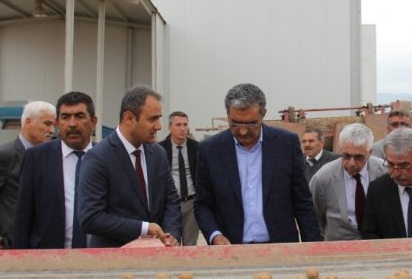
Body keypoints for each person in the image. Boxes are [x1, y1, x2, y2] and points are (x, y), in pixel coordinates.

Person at [194, 83, 321, 244]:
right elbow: (203, 204)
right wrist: (215, 235)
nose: (243, 131)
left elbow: (302, 202)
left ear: (263, 114)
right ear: (227, 115)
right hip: (230, 249)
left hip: (280, 247)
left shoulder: (285, 144)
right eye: (236, 123)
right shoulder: (210, 150)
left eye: (251, 123)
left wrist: (312, 247)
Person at [78, 86, 180, 247]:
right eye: (152, 119)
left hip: (157, 259)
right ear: (129, 118)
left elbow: (171, 201)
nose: (159, 126)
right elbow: (91, 218)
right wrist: (144, 228)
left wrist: (171, 234)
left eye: (159, 118)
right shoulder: (98, 158)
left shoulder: (158, 154)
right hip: (115, 262)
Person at [13, 92, 98, 249]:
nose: (72, 124)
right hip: (47, 258)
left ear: (93, 121)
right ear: (57, 122)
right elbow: (23, 216)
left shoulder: (107, 157)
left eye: (79, 116)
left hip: (100, 258)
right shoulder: (36, 158)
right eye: (65, 117)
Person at [0, 101, 56, 249]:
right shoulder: (4, 156)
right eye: (47, 124)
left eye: (53, 125)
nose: (52, 130)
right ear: (28, 122)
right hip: (15, 241)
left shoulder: (51, 155)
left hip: (47, 241)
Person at [309, 123, 385, 240]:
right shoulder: (322, 178)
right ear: (340, 149)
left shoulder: (385, 172)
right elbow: (315, 217)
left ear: (370, 153)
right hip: (338, 249)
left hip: (377, 247)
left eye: (359, 157)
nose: (351, 163)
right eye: (346, 156)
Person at [158, 111, 199, 245]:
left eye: (185, 125)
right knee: (171, 242)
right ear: (170, 127)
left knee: (190, 245)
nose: (182, 128)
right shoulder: (160, 149)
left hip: (191, 203)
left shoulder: (196, 148)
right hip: (171, 204)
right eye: (178, 125)